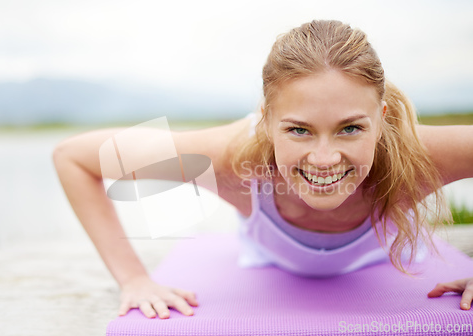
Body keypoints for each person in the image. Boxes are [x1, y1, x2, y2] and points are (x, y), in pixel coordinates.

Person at [53, 20, 473, 319]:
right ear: (267, 120)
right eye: (298, 130)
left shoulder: (419, 156)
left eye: (350, 128)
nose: (324, 158)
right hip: (268, 259)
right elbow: (73, 156)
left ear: (380, 118)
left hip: (389, 256)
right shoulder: (229, 160)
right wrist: (134, 279)